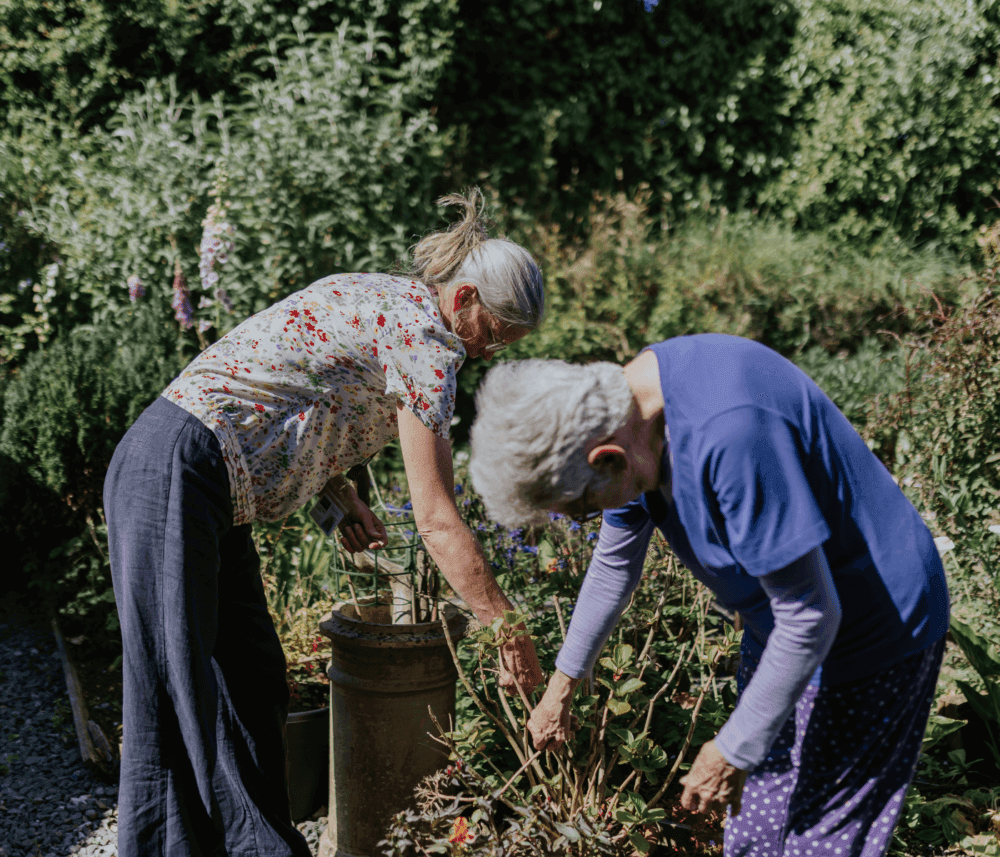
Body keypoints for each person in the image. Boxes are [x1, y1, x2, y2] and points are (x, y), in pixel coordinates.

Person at [103, 190, 546, 857]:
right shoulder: (427, 341)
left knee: (250, 678)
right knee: (174, 690)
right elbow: (437, 521)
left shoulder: (382, 297)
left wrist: (333, 491)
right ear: (464, 301)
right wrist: (509, 630)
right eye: (495, 334)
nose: (488, 353)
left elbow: (294, 391)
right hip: (176, 470)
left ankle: (263, 845)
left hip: (204, 483)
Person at [468, 333, 949, 857]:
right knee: (757, 826)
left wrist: (731, 748)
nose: (590, 519)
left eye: (582, 508)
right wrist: (562, 685)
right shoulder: (631, 421)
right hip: (782, 630)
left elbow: (810, 614)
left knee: (821, 838)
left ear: (607, 457)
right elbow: (613, 566)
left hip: (873, 626)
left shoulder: (731, 434)